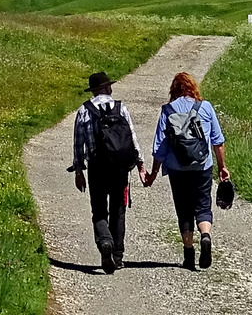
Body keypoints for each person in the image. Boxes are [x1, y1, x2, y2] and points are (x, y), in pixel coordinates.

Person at [143, 71, 229, 271]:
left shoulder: (168, 110)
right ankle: (205, 236)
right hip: (202, 166)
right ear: (193, 87)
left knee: (183, 209)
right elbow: (218, 141)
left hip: (176, 168)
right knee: (203, 205)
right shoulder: (205, 107)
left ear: (173, 89)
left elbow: (160, 148)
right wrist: (222, 167)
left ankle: (189, 253)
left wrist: (153, 173)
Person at [71, 71, 144, 274]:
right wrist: (140, 164)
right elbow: (132, 137)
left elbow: (78, 144)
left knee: (99, 210)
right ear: (107, 88)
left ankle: (105, 241)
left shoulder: (84, 111)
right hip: (120, 168)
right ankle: (118, 257)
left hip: (97, 166)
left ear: (93, 90)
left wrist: (79, 170)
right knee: (118, 210)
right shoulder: (120, 108)